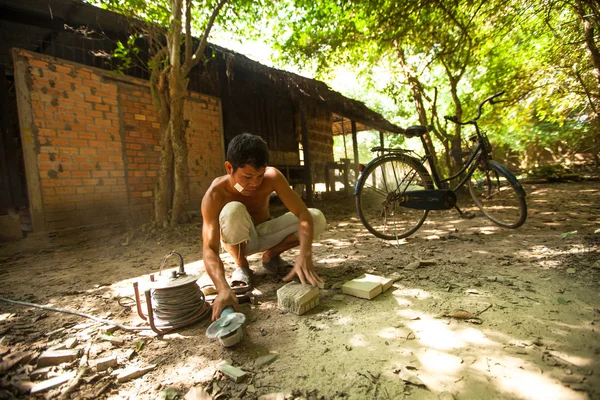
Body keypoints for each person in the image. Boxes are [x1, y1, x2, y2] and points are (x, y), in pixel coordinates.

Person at [201, 133, 326, 321]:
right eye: (247, 176)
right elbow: (209, 248)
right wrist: (222, 289)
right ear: (229, 168)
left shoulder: (272, 177)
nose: (254, 183)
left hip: (266, 233)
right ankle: (242, 265)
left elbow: (303, 215)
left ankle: (271, 256)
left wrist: (305, 254)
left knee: (316, 217)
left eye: (259, 176)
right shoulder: (214, 194)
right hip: (240, 242)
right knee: (232, 210)